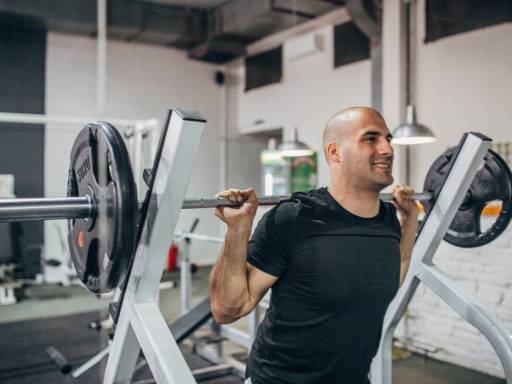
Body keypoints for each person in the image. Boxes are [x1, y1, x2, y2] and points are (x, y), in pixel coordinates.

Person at [209, 106, 419, 384]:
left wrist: (411, 217)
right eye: (371, 138)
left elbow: (398, 269)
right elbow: (228, 309)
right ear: (335, 152)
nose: (387, 149)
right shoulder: (295, 218)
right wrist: (237, 230)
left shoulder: (388, 221)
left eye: (388, 139)